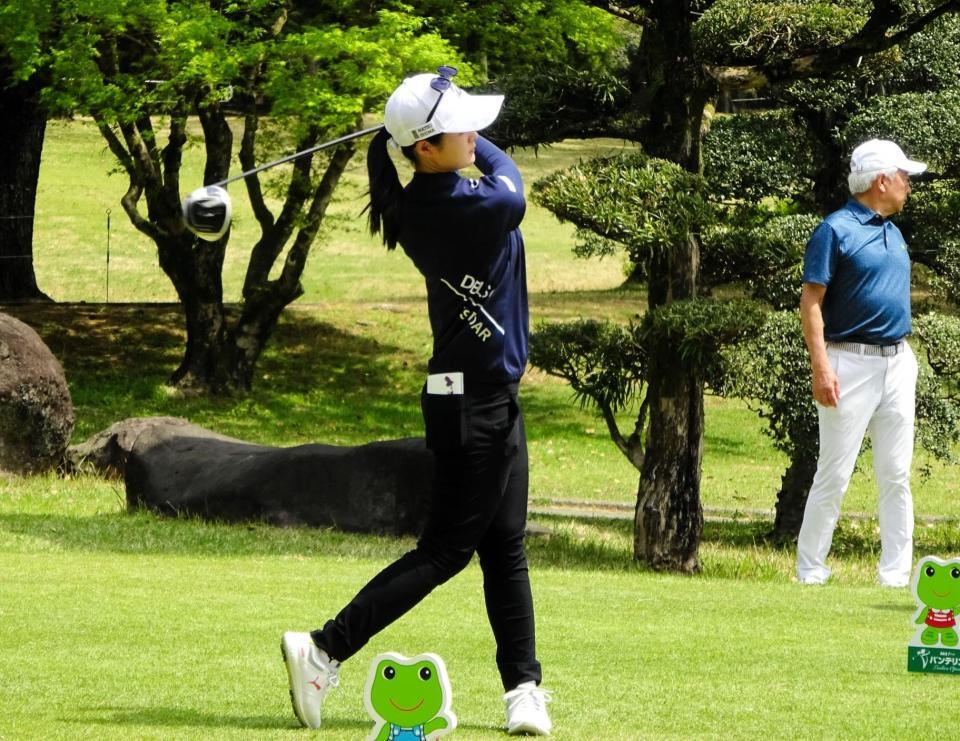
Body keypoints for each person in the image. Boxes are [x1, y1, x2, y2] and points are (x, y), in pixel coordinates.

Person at [281, 66, 553, 736]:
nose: (475, 135)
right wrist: (432, 133)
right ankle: (324, 648)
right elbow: (510, 178)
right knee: (444, 552)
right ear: (425, 149)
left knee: (505, 547)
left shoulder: (425, 199)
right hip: (474, 406)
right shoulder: (469, 206)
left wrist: (419, 127)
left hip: (485, 397)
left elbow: (472, 154)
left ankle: (523, 690)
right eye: (461, 128)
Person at [796, 138, 926, 588]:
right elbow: (811, 302)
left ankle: (896, 575)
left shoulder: (893, 231)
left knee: (896, 473)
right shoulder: (834, 230)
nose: (909, 184)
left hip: (898, 362)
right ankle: (811, 570)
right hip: (848, 363)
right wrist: (821, 368)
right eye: (903, 176)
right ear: (881, 181)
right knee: (834, 472)